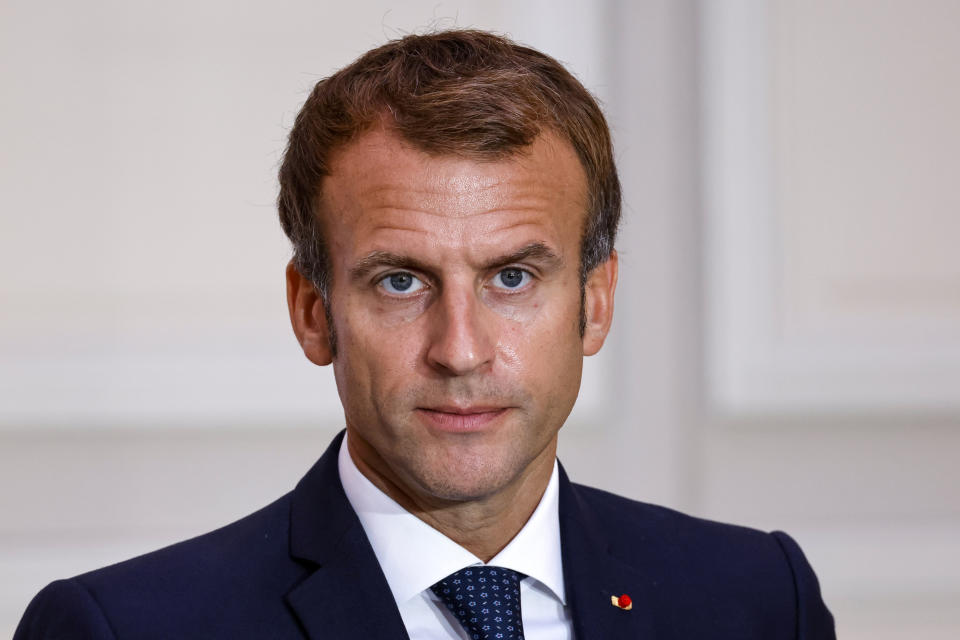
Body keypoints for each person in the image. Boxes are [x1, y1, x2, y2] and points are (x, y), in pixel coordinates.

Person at [15, 29, 835, 639]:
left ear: (596, 301)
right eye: (400, 281)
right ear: (313, 312)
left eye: (512, 277)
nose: (461, 349)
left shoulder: (758, 598)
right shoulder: (123, 629)